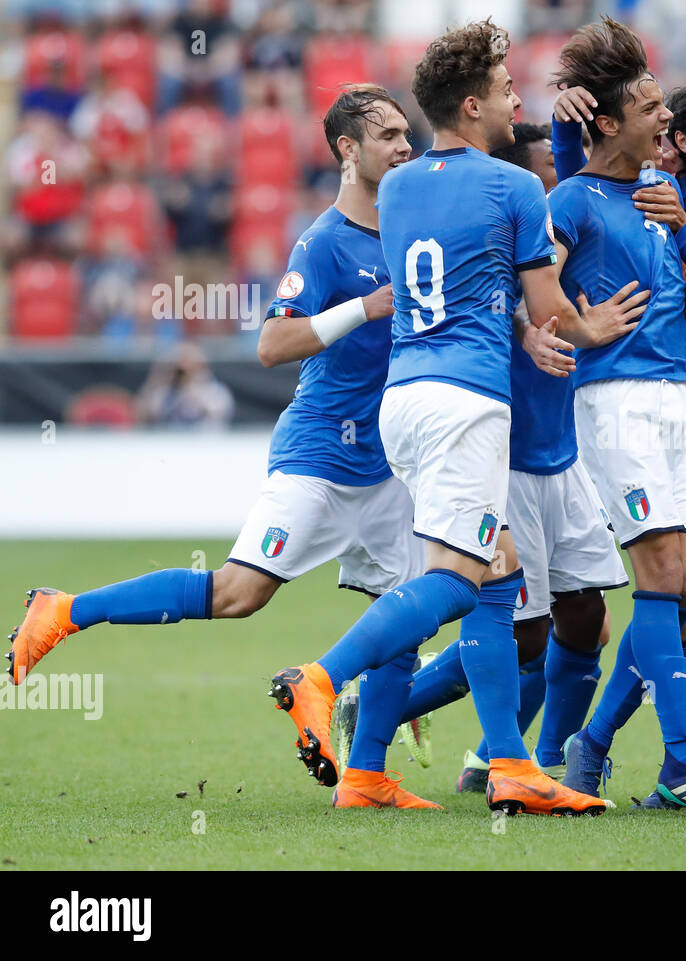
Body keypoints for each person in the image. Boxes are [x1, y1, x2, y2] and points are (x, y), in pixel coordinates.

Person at [7, 85, 440, 810]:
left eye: (407, 134)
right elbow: (272, 343)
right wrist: (364, 307)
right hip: (320, 456)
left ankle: (365, 778)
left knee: (401, 615)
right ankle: (64, 608)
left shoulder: (409, 230)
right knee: (239, 594)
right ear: (347, 149)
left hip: (387, 462)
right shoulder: (325, 240)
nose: (404, 146)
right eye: (389, 135)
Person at [262, 21, 637, 817]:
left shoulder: (399, 187)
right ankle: (322, 679)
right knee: (459, 580)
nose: (514, 100)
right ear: (473, 105)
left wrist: (519, 321)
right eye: (504, 89)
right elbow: (550, 309)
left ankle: (507, 764)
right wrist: (582, 327)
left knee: (494, 571)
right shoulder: (515, 188)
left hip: (406, 396)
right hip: (468, 402)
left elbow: (463, 283)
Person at [363, 123, 632, 794]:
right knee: (523, 631)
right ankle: (373, 706)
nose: (554, 185)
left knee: (586, 616)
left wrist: (571, 123)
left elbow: (578, 175)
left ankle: (547, 759)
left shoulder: (556, 225)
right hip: (500, 452)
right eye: (543, 171)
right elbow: (510, 302)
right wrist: (534, 330)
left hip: (561, 452)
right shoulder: (491, 241)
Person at [544, 17, 686, 817]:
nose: (663, 120)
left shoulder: (659, 196)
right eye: (648, 109)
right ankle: (684, 765)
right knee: (661, 580)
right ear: (608, 122)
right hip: (619, 403)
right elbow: (539, 291)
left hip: (683, 399)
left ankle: (591, 747)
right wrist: (581, 324)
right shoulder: (570, 197)